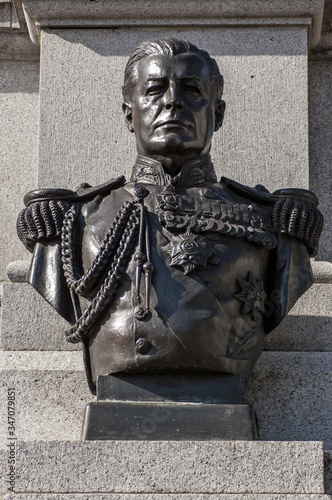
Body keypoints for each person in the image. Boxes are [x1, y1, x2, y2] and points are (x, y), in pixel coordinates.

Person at [17, 39, 323, 394]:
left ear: (218, 113)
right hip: (119, 385)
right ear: (130, 114)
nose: (173, 100)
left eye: (192, 89)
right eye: (154, 89)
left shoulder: (274, 219)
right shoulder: (77, 218)